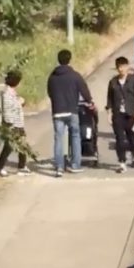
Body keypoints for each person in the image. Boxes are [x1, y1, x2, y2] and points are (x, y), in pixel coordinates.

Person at [47, 49, 94, 177]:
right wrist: (90, 101)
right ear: (69, 59)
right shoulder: (75, 75)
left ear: (58, 60)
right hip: (72, 110)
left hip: (57, 112)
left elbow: (49, 93)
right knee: (75, 136)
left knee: (58, 139)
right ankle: (75, 165)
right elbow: (84, 90)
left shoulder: (52, 77)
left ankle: (59, 167)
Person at [106, 57, 134, 173]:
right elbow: (109, 99)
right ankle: (122, 162)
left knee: (132, 137)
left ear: (127, 67)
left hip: (131, 113)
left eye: (124, 66)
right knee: (120, 139)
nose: (122, 69)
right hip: (118, 114)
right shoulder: (113, 82)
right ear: (117, 69)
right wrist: (109, 113)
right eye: (119, 67)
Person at [0, 70, 30, 177]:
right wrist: (20, 102)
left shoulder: (11, 92)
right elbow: (8, 110)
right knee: (9, 147)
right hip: (12, 124)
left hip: (18, 124)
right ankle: (0, 167)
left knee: (23, 145)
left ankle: (22, 166)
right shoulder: (7, 94)